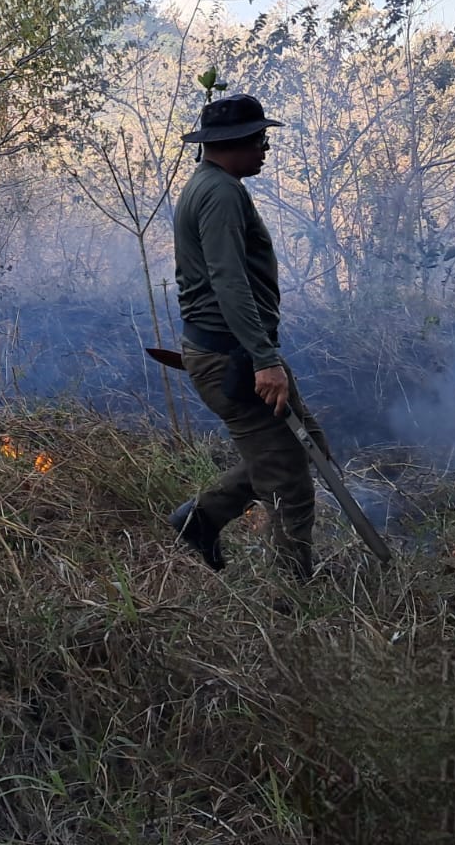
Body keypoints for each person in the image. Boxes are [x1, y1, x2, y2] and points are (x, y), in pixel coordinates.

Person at [167, 93, 331, 582]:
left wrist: (262, 353)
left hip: (231, 350)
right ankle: (290, 596)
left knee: (306, 445)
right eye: (260, 139)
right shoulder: (219, 193)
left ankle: (201, 518)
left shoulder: (213, 185)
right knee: (289, 482)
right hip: (233, 356)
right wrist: (263, 358)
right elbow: (228, 280)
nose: (265, 149)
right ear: (233, 142)